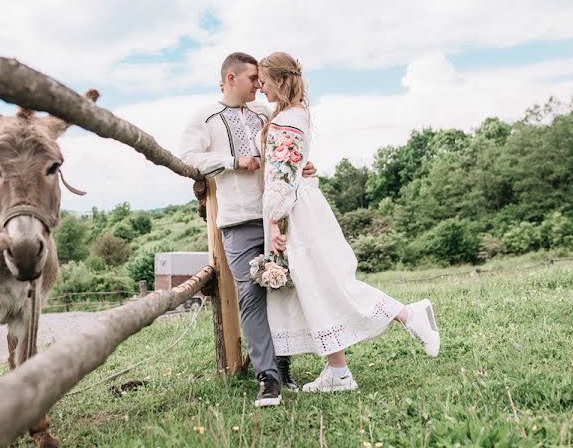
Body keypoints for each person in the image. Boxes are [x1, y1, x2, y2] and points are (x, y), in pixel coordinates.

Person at [258, 51, 440, 393]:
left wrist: (273, 225)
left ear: (280, 81)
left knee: (328, 285)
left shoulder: (287, 120)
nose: (261, 89)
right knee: (317, 288)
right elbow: (289, 167)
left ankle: (408, 314)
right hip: (302, 204)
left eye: (265, 82)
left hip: (294, 212)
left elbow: (280, 177)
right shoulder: (293, 114)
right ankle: (338, 372)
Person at [178, 52, 316, 407]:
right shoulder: (205, 117)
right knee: (251, 295)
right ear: (230, 79)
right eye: (253, 78)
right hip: (238, 219)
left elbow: (285, 149)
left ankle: (284, 366)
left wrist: (302, 166)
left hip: (279, 217)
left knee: (283, 288)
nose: (259, 84)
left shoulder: (264, 114)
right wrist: (232, 162)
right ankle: (267, 377)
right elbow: (187, 157)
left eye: (261, 79)